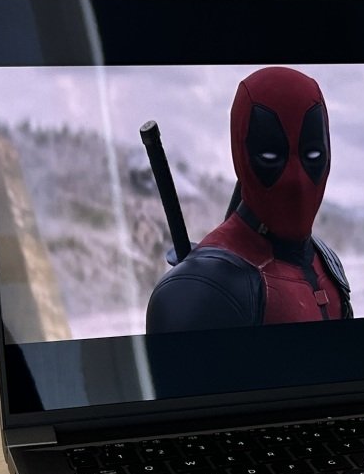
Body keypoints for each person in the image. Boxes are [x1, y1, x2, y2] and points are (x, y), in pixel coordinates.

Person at [144, 66, 352, 333]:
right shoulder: (201, 293)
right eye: (271, 158)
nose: (296, 181)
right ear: (242, 157)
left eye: (312, 155)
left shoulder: (325, 262)